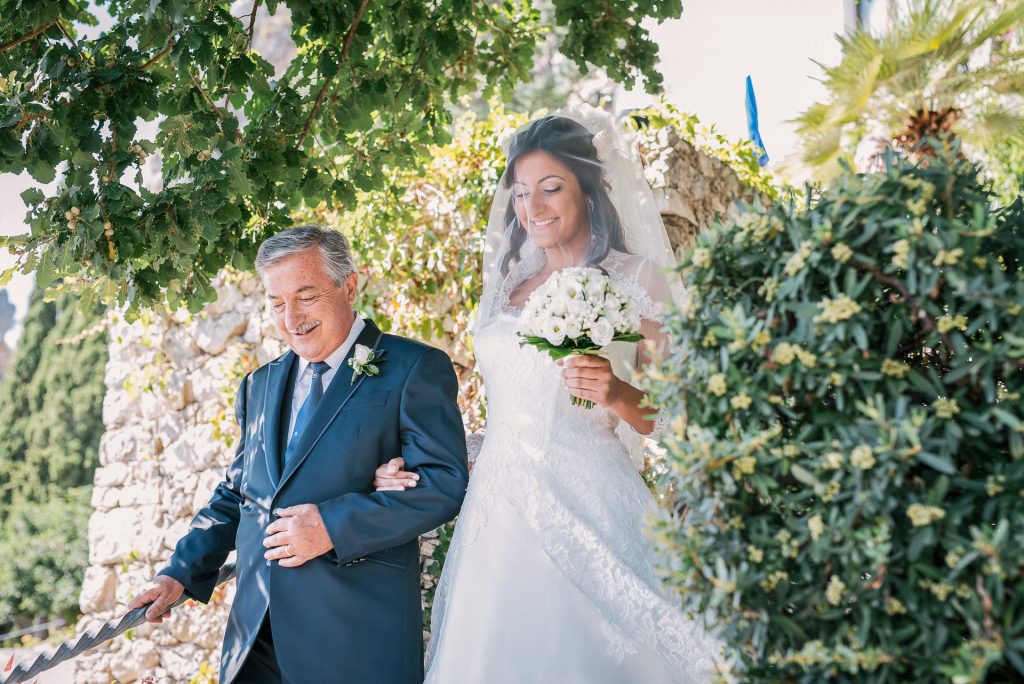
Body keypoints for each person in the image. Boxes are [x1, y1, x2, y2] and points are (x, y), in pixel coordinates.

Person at [376, 106, 721, 683]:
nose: (532, 207)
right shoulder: (510, 283)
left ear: (587, 188)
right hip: (498, 520)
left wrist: (618, 392)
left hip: (593, 503)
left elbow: (687, 419)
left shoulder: (638, 279)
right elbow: (505, 414)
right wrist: (425, 461)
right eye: (520, 193)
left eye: (551, 188)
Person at [128, 226, 469, 683]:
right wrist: (179, 574)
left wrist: (332, 526)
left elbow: (443, 485)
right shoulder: (258, 384)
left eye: (305, 296)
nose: (291, 318)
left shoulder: (414, 368)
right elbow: (237, 494)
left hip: (354, 639)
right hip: (254, 643)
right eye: (276, 303)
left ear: (349, 286)